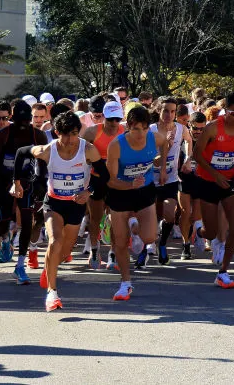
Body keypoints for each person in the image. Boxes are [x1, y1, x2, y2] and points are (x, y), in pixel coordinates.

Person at [16, 112, 102, 311]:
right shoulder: (48, 150)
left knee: (64, 251)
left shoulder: (88, 149)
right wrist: (16, 182)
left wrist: (88, 191)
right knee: (55, 241)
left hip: (76, 205)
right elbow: (21, 152)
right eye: (65, 135)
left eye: (74, 134)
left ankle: (50, 268)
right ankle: (52, 294)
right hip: (54, 203)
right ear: (56, 133)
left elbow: (103, 174)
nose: (70, 140)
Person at [190, 92, 234, 288]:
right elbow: (197, 154)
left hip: (230, 180)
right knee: (211, 232)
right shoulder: (212, 128)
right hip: (208, 180)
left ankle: (223, 272)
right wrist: (215, 174)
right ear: (225, 111)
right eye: (233, 113)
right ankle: (199, 231)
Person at [105, 104, 169, 301]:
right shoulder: (117, 145)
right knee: (121, 243)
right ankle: (125, 283)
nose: (140, 133)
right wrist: (130, 184)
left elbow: (165, 144)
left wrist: (162, 164)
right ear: (128, 127)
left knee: (150, 237)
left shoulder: (155, 137)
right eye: (135, 129)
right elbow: (110, 180)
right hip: (120, 193)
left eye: (144, 128)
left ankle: (134, 226)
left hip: (145, 190)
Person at [0, 101, 48, 264]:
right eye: (20, 121)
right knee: (3, 218)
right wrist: (11, 181)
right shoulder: (3, 135)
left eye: (26, 122)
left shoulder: (38, 135)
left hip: (27, 181)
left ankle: (21, 262)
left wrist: (39, 184)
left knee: (27, 219)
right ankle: (2, 241)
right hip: (5, 179)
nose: (23, 125)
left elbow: (44, 164)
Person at [79, 98, 125, 270]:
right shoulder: (92, 132)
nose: (114, 123)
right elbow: (79, 152)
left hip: (116, 180)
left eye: (117, 119)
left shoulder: (124, 132)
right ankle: (94, 250)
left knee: (115, 218)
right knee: (95, 218)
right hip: (96, 179)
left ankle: (113, 253)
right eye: (111, 118)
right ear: (104, 116)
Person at [151, 97, 191, 265]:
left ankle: (162, 244)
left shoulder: (181, 128)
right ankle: (148, 245)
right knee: (151, 217)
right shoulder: (150, 129)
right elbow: (150, 159)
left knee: (169, 214)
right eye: (166, 110)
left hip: (171, 179)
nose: (169, 114)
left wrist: (188, 158)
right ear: (159, 110)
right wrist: (163, 148)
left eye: (173, 111)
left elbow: (189, 141)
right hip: (150, 180)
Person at [177, 110, 207, 259]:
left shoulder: (208, 139)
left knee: (195, 216)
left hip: (201, 181)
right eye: (195, 128)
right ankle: (186, 244)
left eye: (202, 129)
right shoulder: (182, 138)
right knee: (185, 213)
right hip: (184, 179)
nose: (198, 132)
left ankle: (197, 235)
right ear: (189, 125)